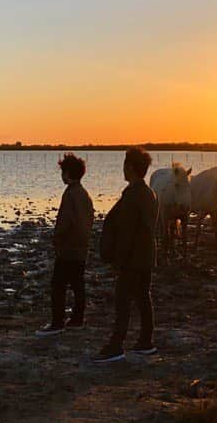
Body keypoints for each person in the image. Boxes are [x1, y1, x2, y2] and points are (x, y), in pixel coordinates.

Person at [94, 147, 160, 363]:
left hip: (132, 258)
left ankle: (116, 345)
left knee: (123, 301)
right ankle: (145, 341)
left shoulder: (134, 195)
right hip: (146, 256)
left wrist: (118, 260)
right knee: (143, 297)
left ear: (130, 168)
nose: (122, 169)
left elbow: (127, 232)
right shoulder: (149, 193)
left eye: (124, 165)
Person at [36, 152, 94, 336]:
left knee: (58, 285)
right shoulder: (84, 194)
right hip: (82, 247)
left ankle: (57, 322)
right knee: (78, 284)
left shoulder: (70, 194)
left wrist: (57, 238)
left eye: (63, 172)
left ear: (68, 173)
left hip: (69, 248)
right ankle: (77, 318)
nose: (61, 176)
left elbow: (65, 221)